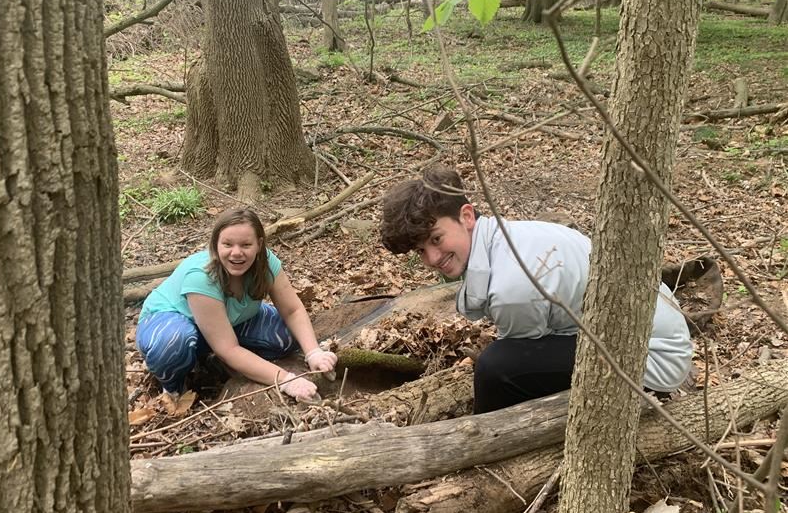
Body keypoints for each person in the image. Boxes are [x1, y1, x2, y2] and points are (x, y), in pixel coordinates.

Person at [379, 167, 693, 413]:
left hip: (651, 362)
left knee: (495, 368)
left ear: (466, 216)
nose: (432, 258)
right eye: (421, 251)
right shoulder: (507, 238)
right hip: (629, 340)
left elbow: (516, 359)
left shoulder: (511, 286)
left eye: (436, 239)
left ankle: (489, 449)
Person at [136, 208, 337, 402]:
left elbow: (292, 310)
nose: (236, 253)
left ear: (259, 245)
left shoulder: (266, 263)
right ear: (216, 245)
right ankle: (173, 389)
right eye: (228, 244)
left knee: (286, 336)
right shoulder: (201, 277)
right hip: (169, 322)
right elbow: (229, 348)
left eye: (246, 245)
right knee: (174, 343)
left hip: (227, 324)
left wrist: (313, 352)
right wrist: (286, 380)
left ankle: (214, 362)